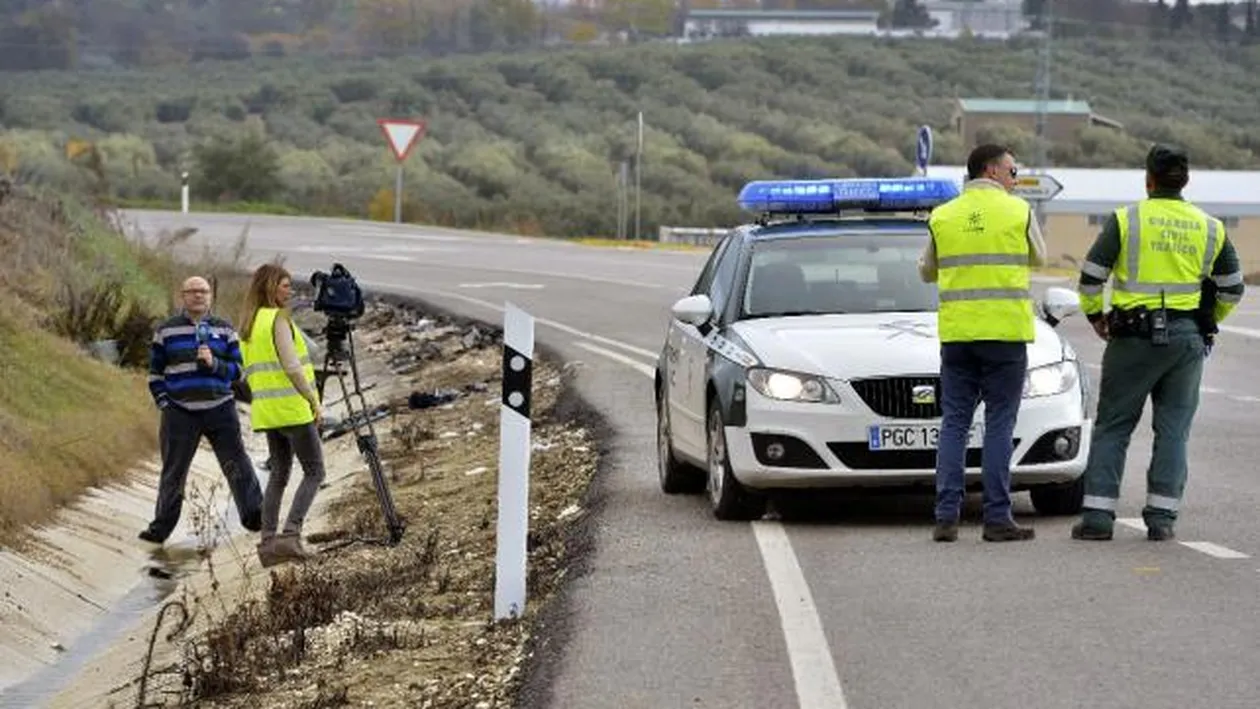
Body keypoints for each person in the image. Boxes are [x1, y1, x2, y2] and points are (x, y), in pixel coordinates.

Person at [1071, 144, 1245, 542]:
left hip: (1132, 338)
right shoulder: (1210, 227)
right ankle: (1162, 520)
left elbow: (1091, 279)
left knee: (1114, 426)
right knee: (1174, 431)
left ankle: (1098, 518)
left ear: (1148, 179)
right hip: (1185, 342)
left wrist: (1097, 317)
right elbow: (1233, 289)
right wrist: (1207, 322)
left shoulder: (1126, 220)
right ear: (1184, 181)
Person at [920, 143, 1046, 543]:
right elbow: (1040, 259)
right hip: (1005, 338)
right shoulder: (1019, 211)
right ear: (991, 171)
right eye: (1012, 171)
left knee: (954, 423)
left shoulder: (942, 216)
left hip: (958, 338)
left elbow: (926, 272)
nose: (1015, 178)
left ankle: (946, 517)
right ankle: (996, 518)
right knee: (999, 425)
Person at [141, 276, 263, 544]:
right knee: (174, 471)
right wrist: (165, 404)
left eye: (204, 292)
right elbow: (154, 374)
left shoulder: (225, 329)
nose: (199, 296)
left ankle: (256, 515)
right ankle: (160, 529)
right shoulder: (166, 330)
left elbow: (239, 371)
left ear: (210, 297)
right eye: (193, 291)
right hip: (180, 412)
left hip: (220, 408)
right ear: (182, 296)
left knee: (237, 462)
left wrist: (215, 364)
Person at [238, 263, 327, 566]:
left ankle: (268, 543)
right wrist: (313, 401)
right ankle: (291, 536)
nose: (290, 290)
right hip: (292, 408)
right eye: (285, 285)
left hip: (267, 412)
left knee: (279, 475)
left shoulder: (249, 323)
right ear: (270, 287)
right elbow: (291, 366)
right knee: (315, 471)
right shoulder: (278, 319)